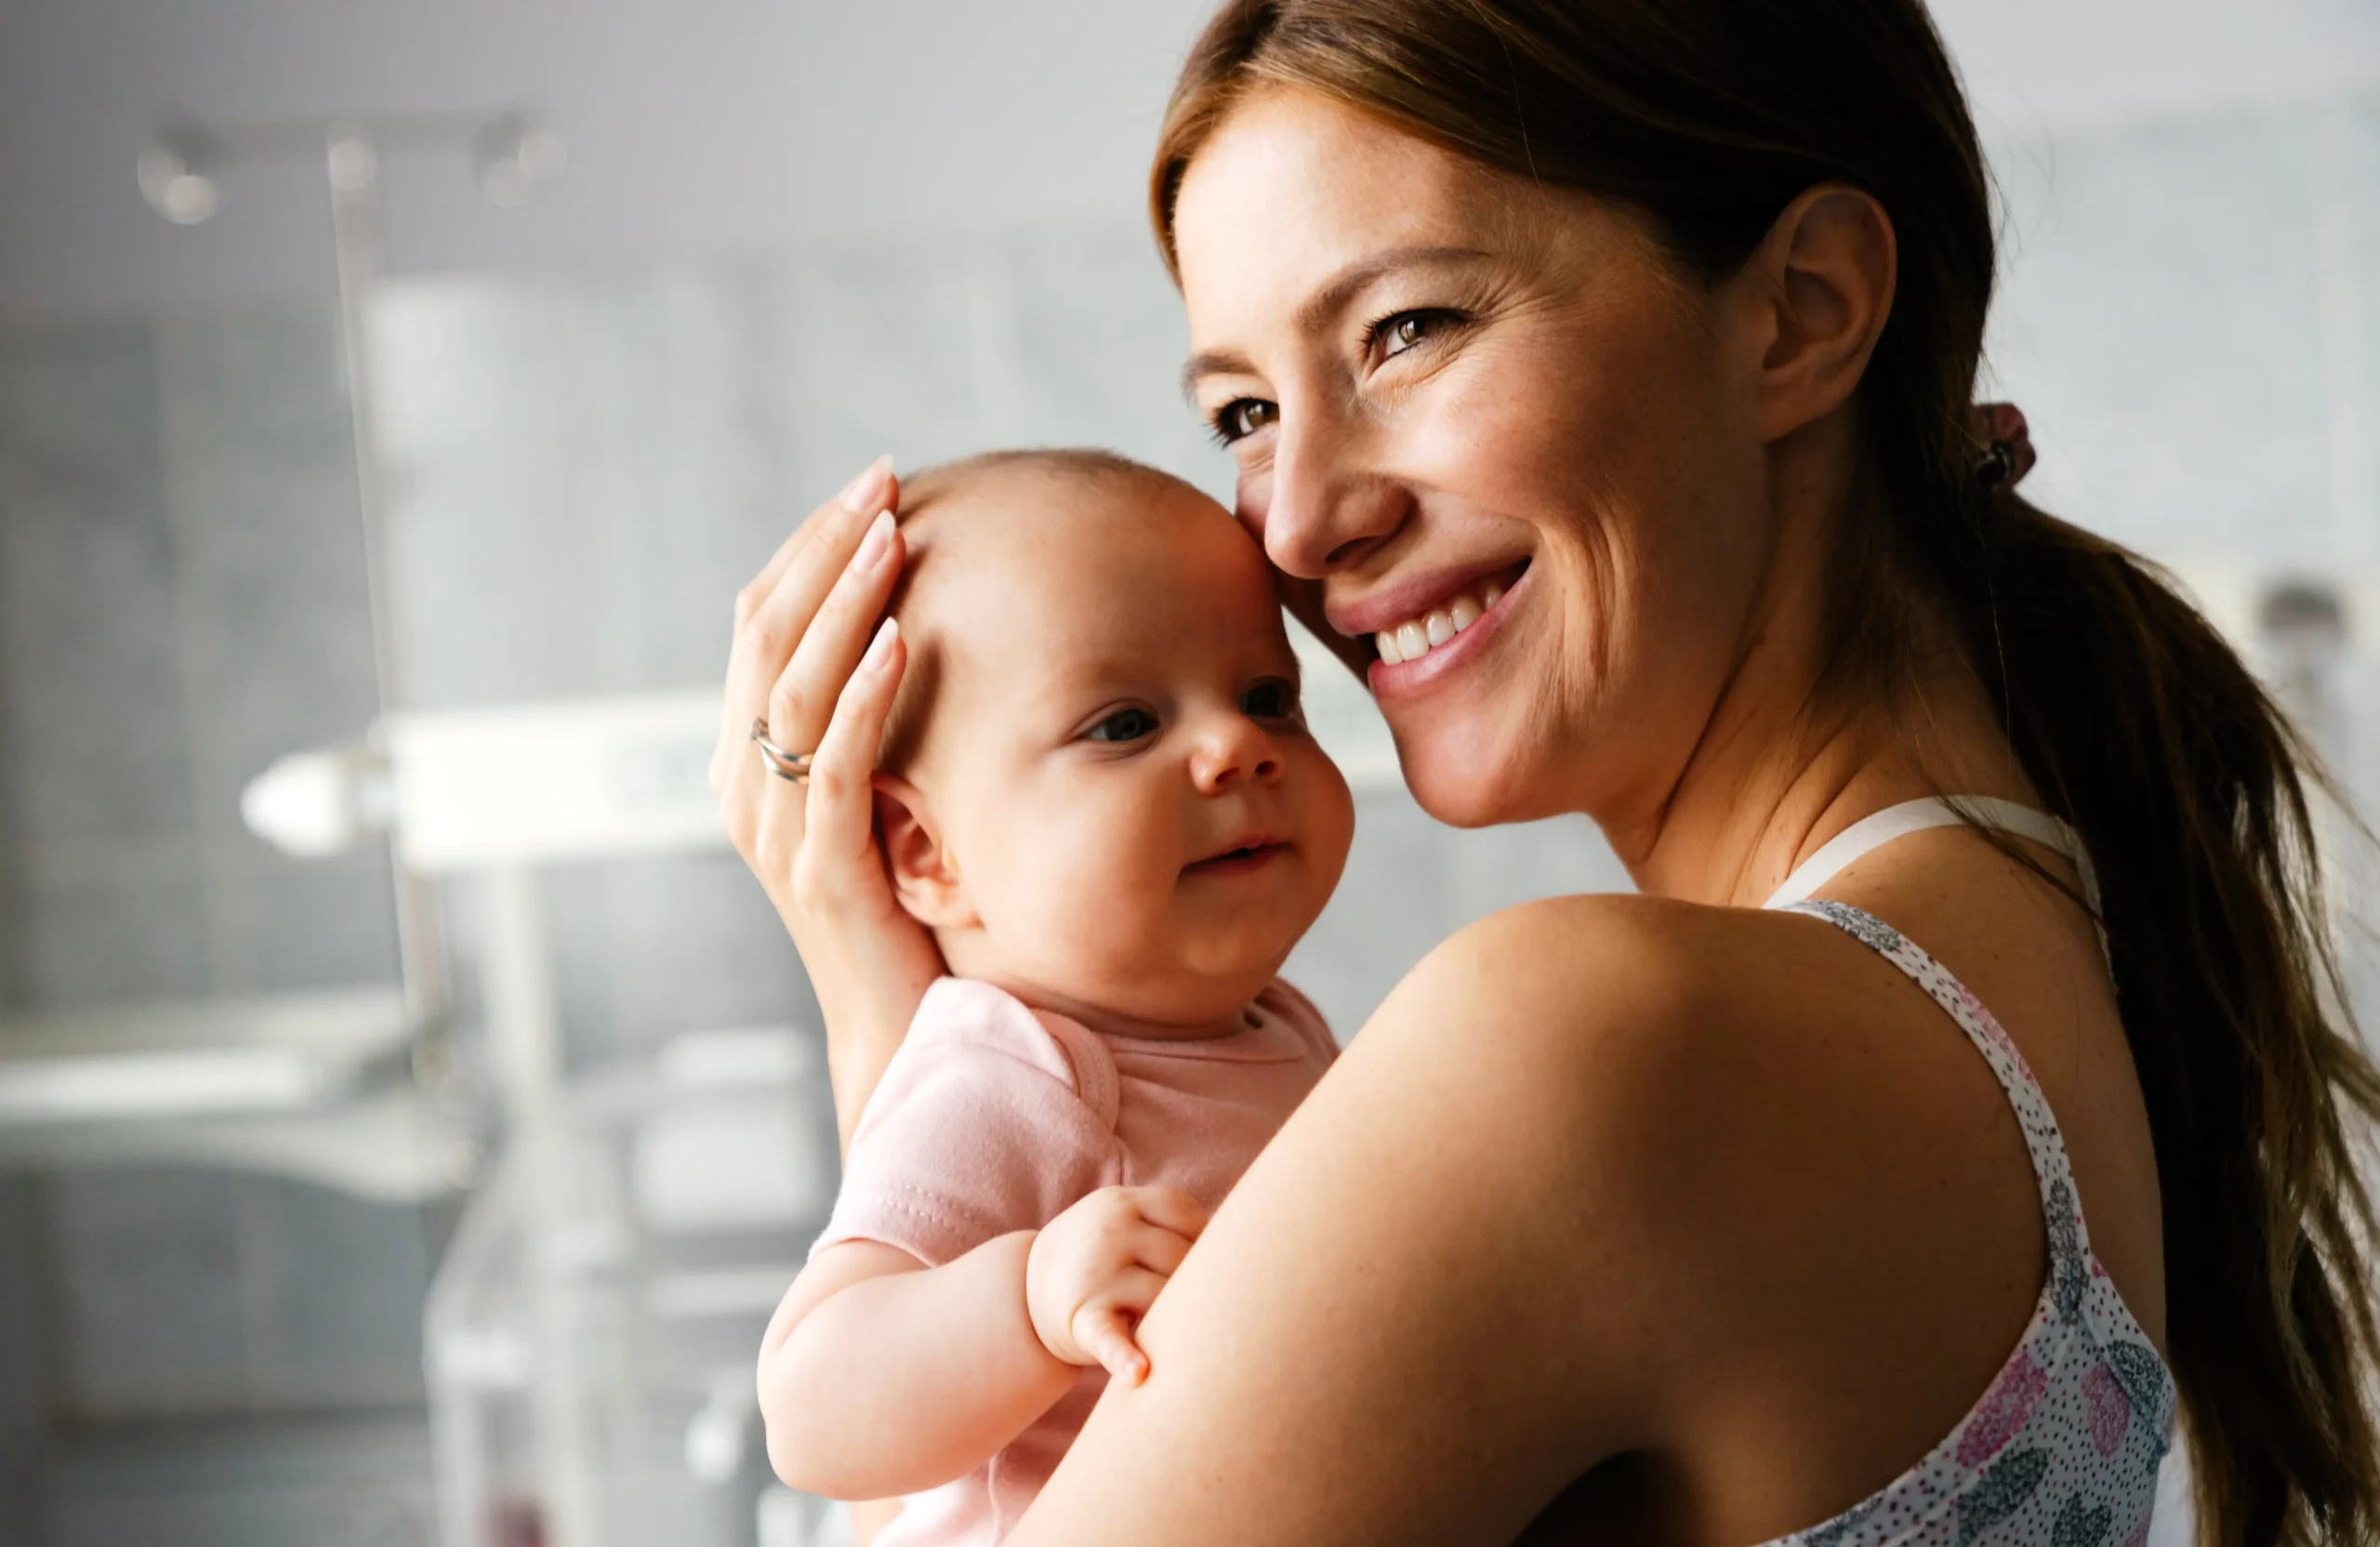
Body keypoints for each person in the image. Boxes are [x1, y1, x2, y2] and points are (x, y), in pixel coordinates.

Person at [710, 1, 2380, 1541]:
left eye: (1406, 328)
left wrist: (908, 1005)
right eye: (1240, 412)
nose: (1296, 522)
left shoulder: (1583, 1048)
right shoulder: (2029, 909)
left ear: (1800, 312)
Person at [749, 450, 1352, 1543]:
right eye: (1123, 724)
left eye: (1269, 697)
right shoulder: (1013, 1072)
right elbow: (811, 1409)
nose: (1237, 746)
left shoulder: (1281, 1022)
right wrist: (1028, 1298)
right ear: (927, 850)